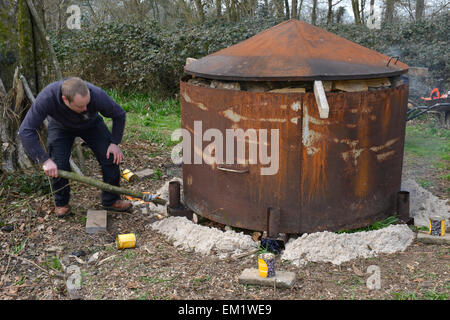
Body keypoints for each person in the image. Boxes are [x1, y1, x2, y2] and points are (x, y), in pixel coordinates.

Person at [18, 77, 132, 217]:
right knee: (58, 164)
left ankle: (112, 200)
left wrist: (114, 143)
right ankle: (61, 204)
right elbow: (25, 131)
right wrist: (44, 160)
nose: (85, 109)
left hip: (92, 124)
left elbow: (119, 114)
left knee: (111, 156)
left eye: (87, 104)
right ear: (65, 99)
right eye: (80, 106)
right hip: (61, 127)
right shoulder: (47, 97)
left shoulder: (97, 94)